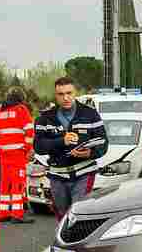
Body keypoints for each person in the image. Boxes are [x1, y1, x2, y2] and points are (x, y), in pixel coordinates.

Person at [34, 76, 108, 221]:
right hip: (57, 175)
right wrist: (62, 141)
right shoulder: (45, 118)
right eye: (61, 94)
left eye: (69, 93)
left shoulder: (90, 114)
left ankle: (78, 243)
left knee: (78, 213)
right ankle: (64, 241)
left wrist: (90, 153)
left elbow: (103, 143)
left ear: (75, 93)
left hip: (84, 173)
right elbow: (38, 147)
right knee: (62, 216)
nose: (66, 98)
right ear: (56, 96)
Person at [0, 87, 35, 223]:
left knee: (6, 183)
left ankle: (3, 212)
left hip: (4, 153)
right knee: (18, 183)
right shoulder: (21, 110)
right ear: (20, 98)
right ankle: (17, 214)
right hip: (18, 152)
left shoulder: (0, 111)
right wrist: (27, 147)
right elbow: (29, 129)